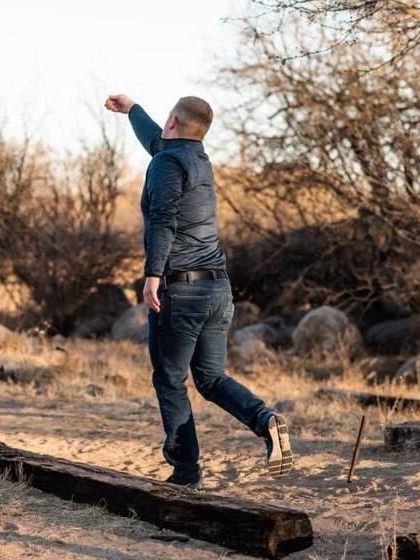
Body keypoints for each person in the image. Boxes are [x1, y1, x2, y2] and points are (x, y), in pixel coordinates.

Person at [104, 94, 293, 488]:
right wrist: (134, 110)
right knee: (209, 378)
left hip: (181, 290)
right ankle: (265, 421)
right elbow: (160, 142)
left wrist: (153, 273)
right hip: (217, 288)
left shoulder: (165, 164)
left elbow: (163, 219)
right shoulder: (196, 159)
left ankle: (186, 472)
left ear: (173, 121)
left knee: (170, 380)